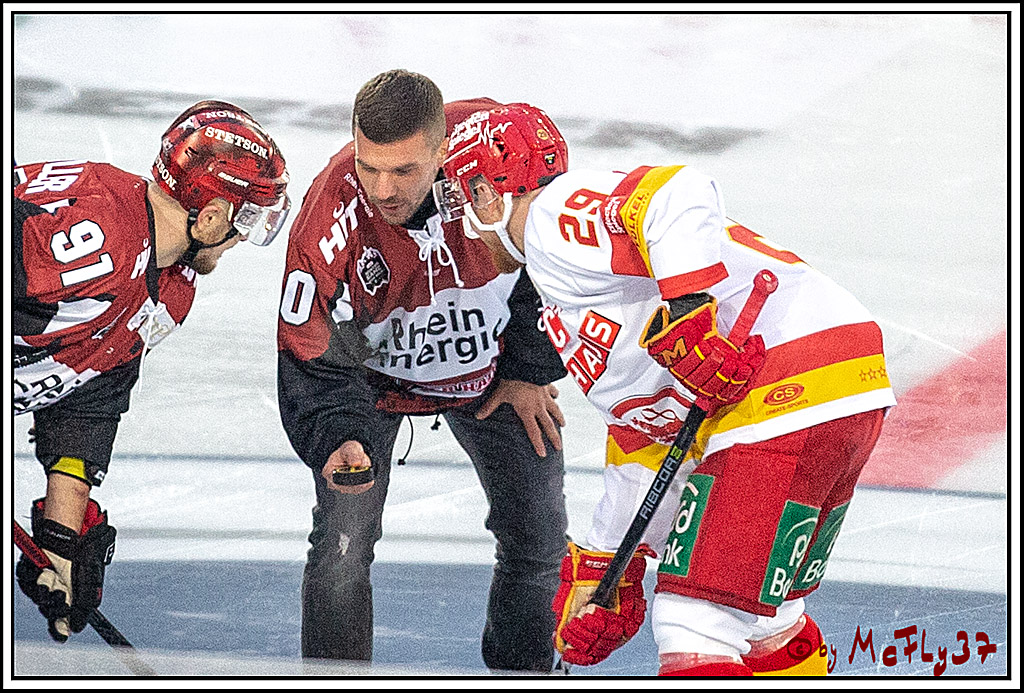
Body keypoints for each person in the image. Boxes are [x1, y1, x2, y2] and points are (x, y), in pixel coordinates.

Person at [436, 103, 897, 676]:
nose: (459, 221)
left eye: (460, 196)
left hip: (782, 388)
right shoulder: (561, 278)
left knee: (694, 625)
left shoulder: (549, 220)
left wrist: (689, 315)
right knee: (761, 622)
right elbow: (644, 430)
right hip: (834, 382)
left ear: (487, 191)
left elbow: (677, 192)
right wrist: (609, 562)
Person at [276, 70, 569, 672]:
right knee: (341, 547)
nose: (382, 188)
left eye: (404, 171)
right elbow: (306, 341)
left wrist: (528, 366)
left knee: (540, 540)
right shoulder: (330, 211)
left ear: (444, 151)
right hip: (370, 390)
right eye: (369, 165)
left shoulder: (501, 152)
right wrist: (338, 432)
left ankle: (526, 674)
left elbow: (557, 256)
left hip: (492, 377)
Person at [14, 101, 291, 643]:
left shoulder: (167, 283)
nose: (241, 241)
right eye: (247, 221)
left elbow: (87, 394)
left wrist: (60, 541)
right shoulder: (100, 237)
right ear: (211, 216)